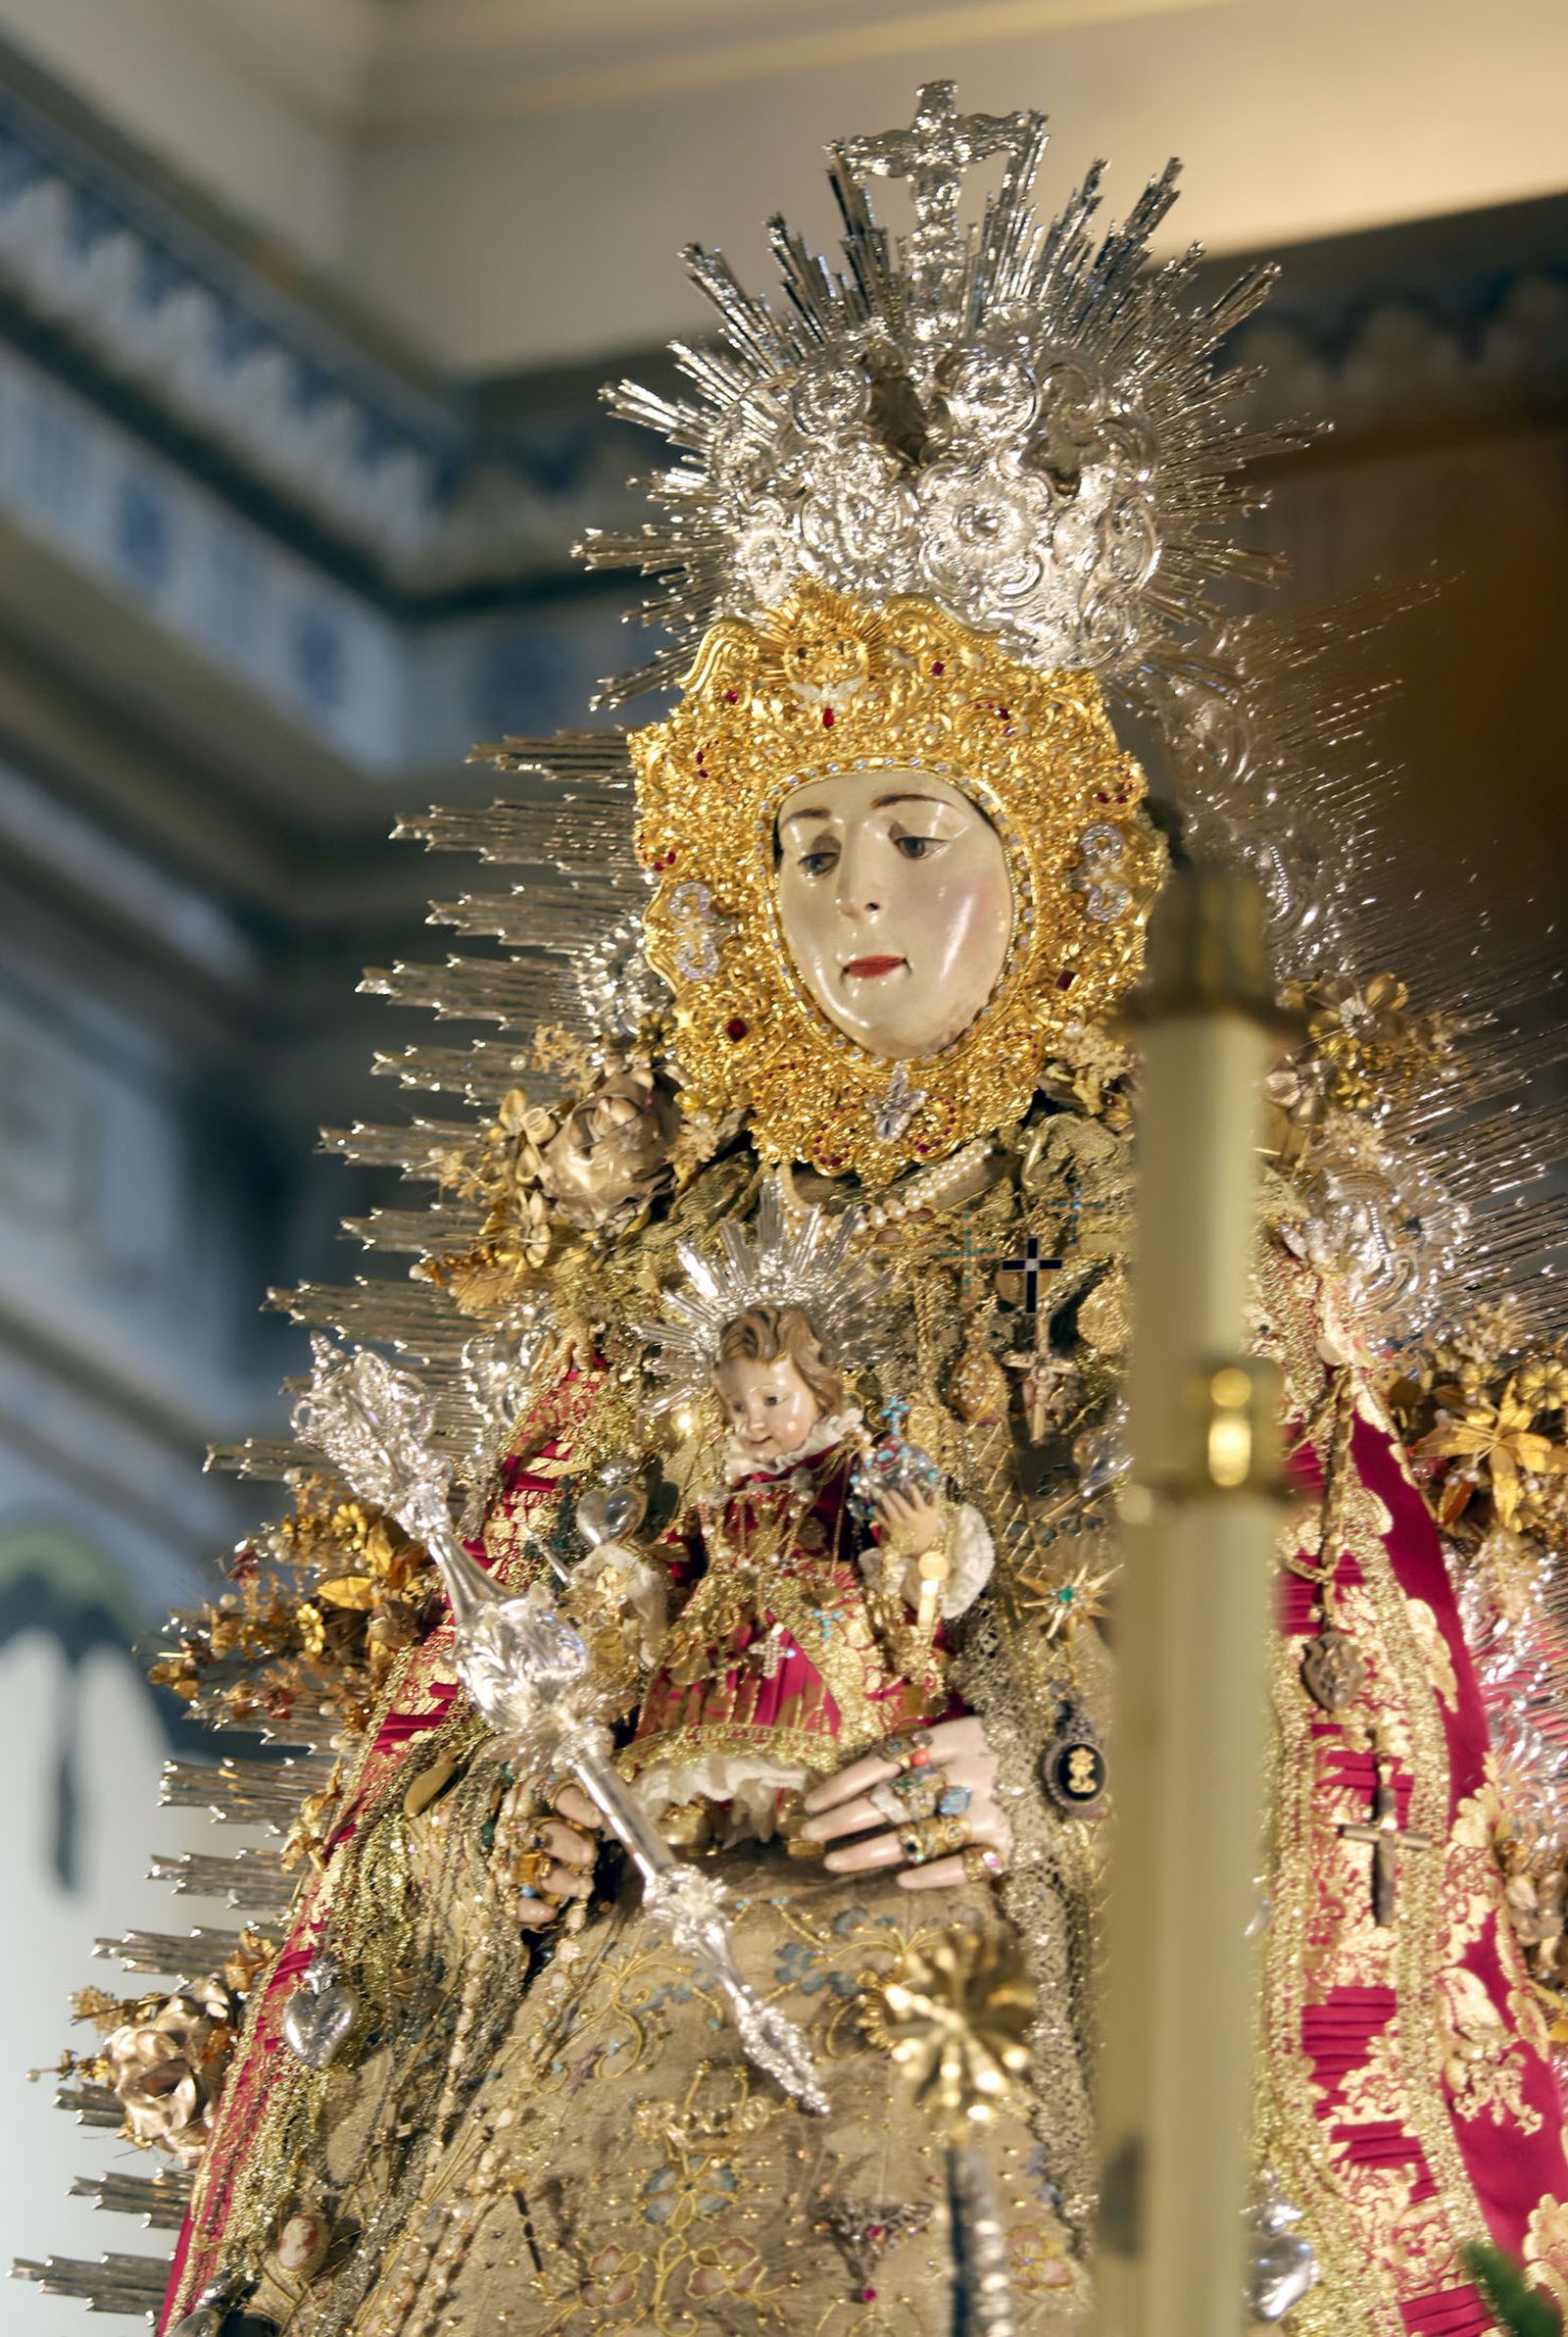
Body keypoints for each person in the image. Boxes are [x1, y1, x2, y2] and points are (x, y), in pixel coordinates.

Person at [43, 83, 1568, 2337]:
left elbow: (1299, 1637)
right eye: (803, 844)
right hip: (611, 2050)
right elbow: (489, 1685)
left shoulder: (1163, 1241)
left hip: (953, 2035)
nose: (853, 897)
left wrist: (1030, 1763)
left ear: (1046, 861)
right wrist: (516, 1836)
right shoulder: (645, 1283)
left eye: (909, 829)